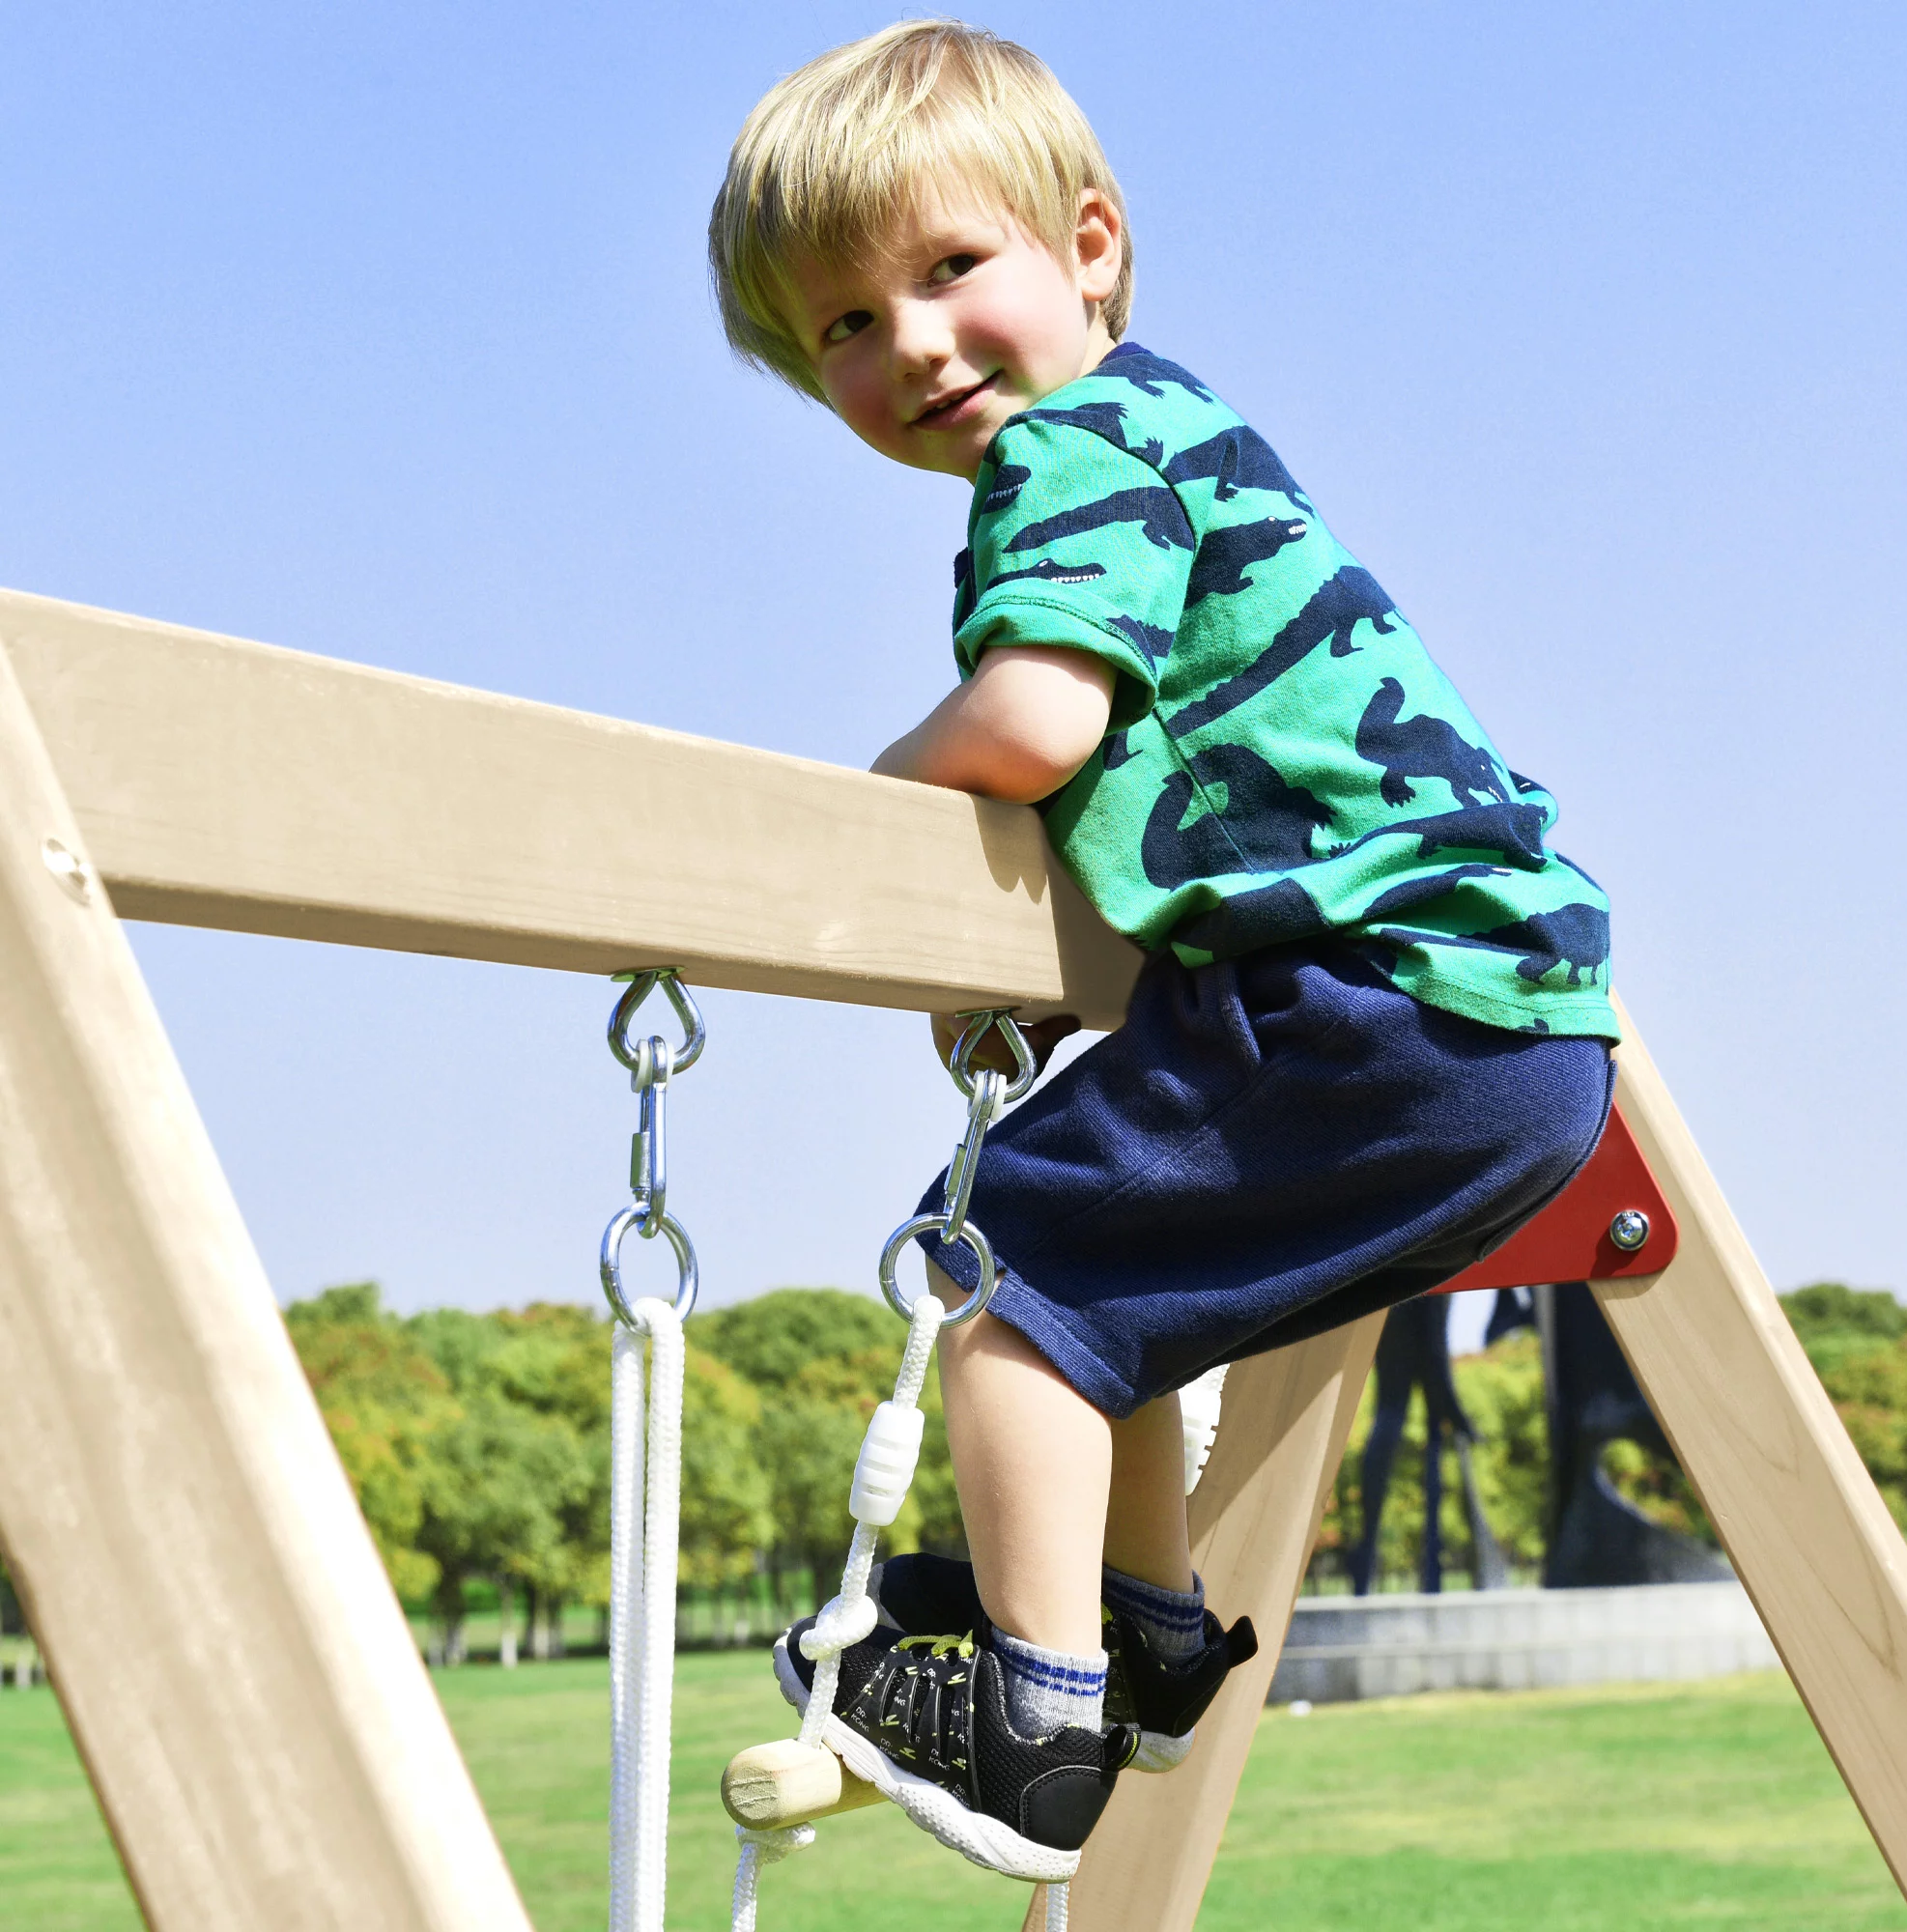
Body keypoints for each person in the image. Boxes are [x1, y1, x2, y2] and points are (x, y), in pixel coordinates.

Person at [708, 18, 1619, 1882]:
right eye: (845, 328)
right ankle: (1143, 1626)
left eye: (949, 269)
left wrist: (860, 822)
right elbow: (1152, 791)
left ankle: (1036, 1718)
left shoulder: (1074, 453)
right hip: (1508, 1030)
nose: (914, 346)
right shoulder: (1183, 434)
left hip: (1385, 1008)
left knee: (992, 1280)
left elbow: (1032, 725)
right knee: (1108, 1305)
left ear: (1090, 247)